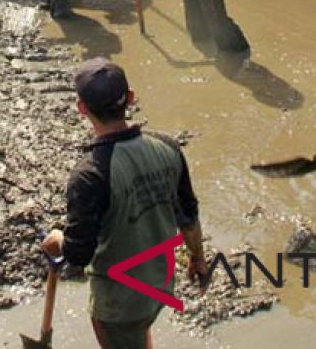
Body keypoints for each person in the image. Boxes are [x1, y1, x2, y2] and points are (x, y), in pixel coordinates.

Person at [41, 57, 207, 349]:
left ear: (82, 109)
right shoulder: (166, 147)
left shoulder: (90, 175)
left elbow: (79, 254)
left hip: (118, 303)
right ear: (130, 98)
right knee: (139, 336)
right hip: (159, 282)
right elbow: (189, 216)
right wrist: (198, 258)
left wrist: (56, 238)